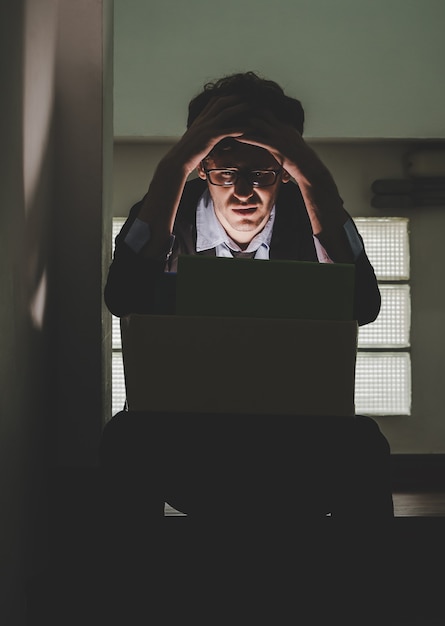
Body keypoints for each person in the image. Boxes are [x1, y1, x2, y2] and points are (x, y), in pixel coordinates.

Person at [100, 72, 393, 524]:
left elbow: (363, 306)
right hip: (187, 437)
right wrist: (175, 163)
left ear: (285, 171)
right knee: (125, 438)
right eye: (224, 172)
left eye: (262, 173)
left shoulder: (310, 212)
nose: (242, 190)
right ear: (201, 166)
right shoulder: (165, 211)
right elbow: (122, 295)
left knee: (365, 443)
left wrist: (311, 171)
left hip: (295, 439)